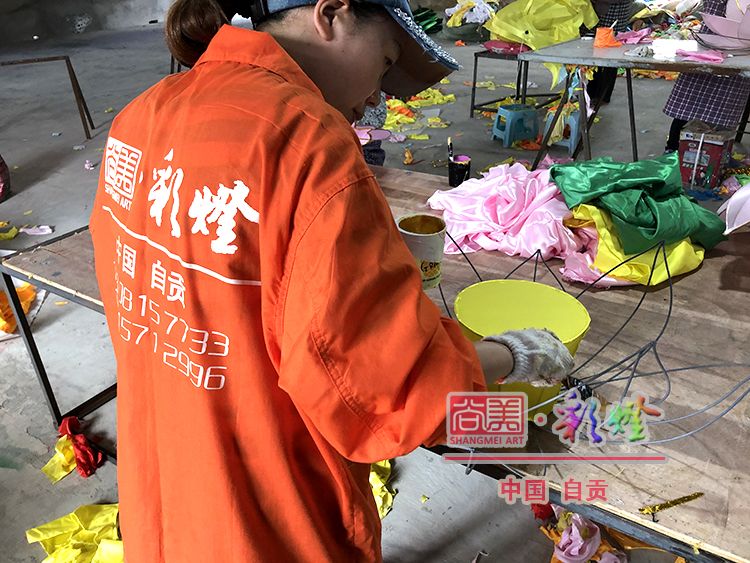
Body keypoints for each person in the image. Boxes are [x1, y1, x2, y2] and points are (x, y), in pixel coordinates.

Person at [89, 0, 574, 560]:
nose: (378, 96)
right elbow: (379, 387)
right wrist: (508, 355)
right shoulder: (306, 137)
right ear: (332, 14)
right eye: (386, 60)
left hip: (165, 470)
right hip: (265, 503)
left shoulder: (145, 110)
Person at [663, 0, 750, 151]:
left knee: (725, 111)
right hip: (709, 46)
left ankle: (717, 156)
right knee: (688, 104)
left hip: (741, 52)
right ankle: (673, 148)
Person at [587, 0, 634, 103]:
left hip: (613, 12)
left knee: (609, 53)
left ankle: (600, 95)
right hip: (606, 11)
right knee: (598, 53)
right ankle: (593, 93)